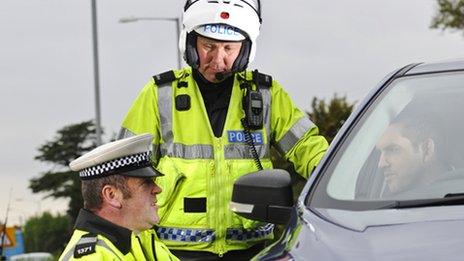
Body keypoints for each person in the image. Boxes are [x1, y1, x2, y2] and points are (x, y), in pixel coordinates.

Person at [119, 0, 329, 259]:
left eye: (229, 48)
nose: (218, 59)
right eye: (208, 46)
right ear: (191, 42)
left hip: (252, 250)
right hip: (173, 253)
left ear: (245, 51)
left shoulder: (265, 95)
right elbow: (126, 169)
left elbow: (307, 147)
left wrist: (339, 182)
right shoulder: (159, 94)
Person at [59, 134, 178, 261]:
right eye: (145, 183)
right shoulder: (91, 258)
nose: (158, 189)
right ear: (112, 195)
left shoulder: (140, 238)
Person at [376, 113, 451, 197]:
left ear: (426, 149)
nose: (381, 164)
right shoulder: (386, 204)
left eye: (393, 150)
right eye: (380, 153)